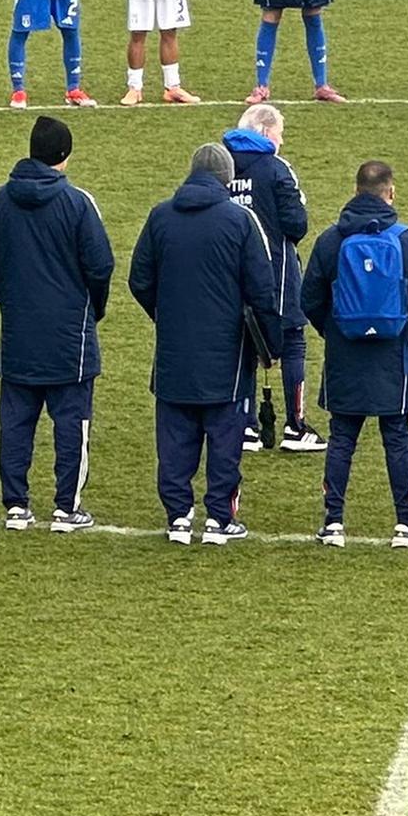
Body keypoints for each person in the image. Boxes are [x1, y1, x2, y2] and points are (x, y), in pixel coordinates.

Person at [133, 142, 278, 542]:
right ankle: (220, 516)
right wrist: (271, 344)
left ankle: (178, 516)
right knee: (225, 434)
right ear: (227, 179)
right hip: (227, 350)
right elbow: (262, 290)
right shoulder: (241, 222)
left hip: (174, 347)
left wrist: (165, 314)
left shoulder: (160, 216)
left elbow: (140, 279)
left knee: (175, 435)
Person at [0, 117, 115, 528]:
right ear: (63, 156)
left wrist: (13, 299)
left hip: (19, 330)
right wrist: (91, 309)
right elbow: (100, 265)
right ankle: (66, 506)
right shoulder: (76, 202)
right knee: (72, 422)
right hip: (69, 334)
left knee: (16, 420)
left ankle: (16, 505)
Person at [304, 158, 408, 546]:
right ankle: (406, 522)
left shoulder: (330, 240)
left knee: (341, 438)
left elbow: (309, 299)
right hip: (393, 354)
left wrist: (334, 332)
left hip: (344, 353)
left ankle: (333, 523)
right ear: (391, 192)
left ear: (355, 191)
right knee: (396, 437)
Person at [222, 103, 318, 453]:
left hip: (229, 273)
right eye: (280, 132)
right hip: (276, 271)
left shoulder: (221, 164)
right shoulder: (277, 170)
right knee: (293, 341)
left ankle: (244, 426)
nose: (282, 139)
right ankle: (296, 426)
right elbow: (297, 224)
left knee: (242, 346)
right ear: (264, 132)